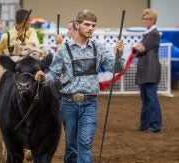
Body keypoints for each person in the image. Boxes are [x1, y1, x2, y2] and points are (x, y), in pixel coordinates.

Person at [34, 9, 124, 162]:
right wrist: (43, 78)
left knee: (85, 143)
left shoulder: (99, 48)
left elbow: (116, 68)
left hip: (90, 103)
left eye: (93, 25)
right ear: (77, 25)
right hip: (68, 103)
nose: (91, 28)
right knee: (71, 145)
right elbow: (54, 75)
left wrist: (118, 54)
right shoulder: (63, 49)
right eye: (87, 24)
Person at [134, 9, 162, 133]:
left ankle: (155, 125)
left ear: (153, 20)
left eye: (148, 19)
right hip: (145, 70)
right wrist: (136, 48)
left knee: (151, 98)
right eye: (144, 19)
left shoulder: (153, 34)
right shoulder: (148, 33)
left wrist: (136, 47)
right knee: (146, 99)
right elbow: (138, 49)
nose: (145, 21)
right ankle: (145, 124)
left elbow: (140, 49)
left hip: (150, 70)